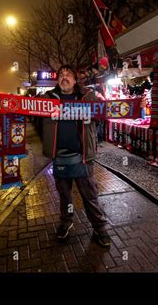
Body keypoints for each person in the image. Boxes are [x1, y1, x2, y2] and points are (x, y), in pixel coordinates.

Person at [41, 64, 110, 247]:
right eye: (61, 75)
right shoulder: (47, 98)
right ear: (57, 80)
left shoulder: (88, 96)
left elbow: (105, 112)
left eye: (68, 74)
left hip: (83, 157)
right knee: (64, 196)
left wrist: (135, 106)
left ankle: (100, 228)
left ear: (75, 79)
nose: (65, 77)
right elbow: (27, 111)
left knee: (90, 195)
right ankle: (66, 222)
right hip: (60, 158)